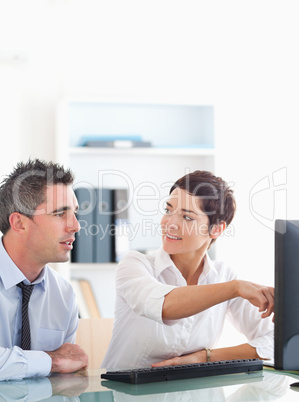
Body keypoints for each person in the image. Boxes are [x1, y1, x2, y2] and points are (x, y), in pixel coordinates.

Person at [101, 170, 274, 369]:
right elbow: (164, 306)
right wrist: (234, 288)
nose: (169, 224)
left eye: (187, 217)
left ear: (216, 229)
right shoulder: (135, 265)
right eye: (168, 210)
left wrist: (206, 357)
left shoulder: (223, 275)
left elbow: (276, 343)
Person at [0, 159, 88, 381]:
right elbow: (61, 363)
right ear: (19, 223)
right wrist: (53, 360)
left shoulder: (64, 294)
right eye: (60, 213)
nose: (75, 225)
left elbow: (65, 377)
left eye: (75, 212)